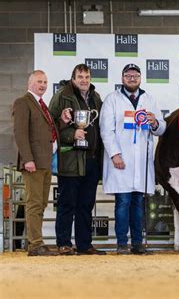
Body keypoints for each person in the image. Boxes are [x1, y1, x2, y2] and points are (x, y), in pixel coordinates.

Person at [100, 64, 166, 255]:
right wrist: (115, 154)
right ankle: (122, 243)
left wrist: (154, 122)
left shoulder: (149, 99)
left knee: (138, 203)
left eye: (135, 75)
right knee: (123, 202)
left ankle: (137, 244)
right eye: (128, 75)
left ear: (140, 78)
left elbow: (161, 128)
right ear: (122, 78)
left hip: (141, 162)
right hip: (121, 160)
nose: (132, 78)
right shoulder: (112, 99)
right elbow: (106, 130)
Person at [49, 64, 105, 255]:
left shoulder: (96, 97)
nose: (84, 80)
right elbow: (50, 126)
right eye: (80, 77)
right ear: (73, 78)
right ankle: (63, 243)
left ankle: (84, 244)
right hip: (71, 159)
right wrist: (71, 134)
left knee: (86, 205)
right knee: (67, 203)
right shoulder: (62, 96)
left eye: (87, 77)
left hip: (91, 159)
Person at [12, 70, 70, 256]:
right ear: (30, 83)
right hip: (34, 162)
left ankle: (37, 242)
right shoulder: (23, 102)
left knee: (41, 203)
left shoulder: (41, 104)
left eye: (45, 81)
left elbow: (47, 132)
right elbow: (20, 134)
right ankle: (35, 244)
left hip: (45, 162)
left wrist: (61, 121)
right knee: (34, 203)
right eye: (39, 81)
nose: (43, 85)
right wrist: (28, 159)